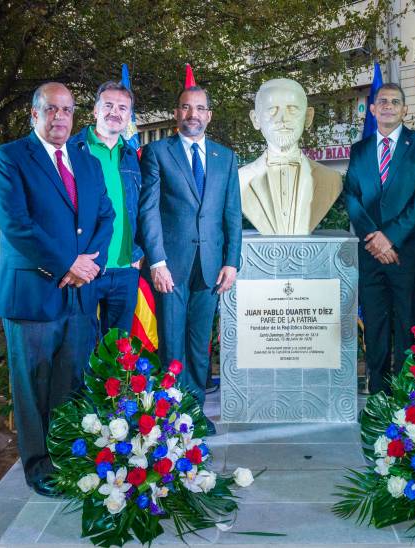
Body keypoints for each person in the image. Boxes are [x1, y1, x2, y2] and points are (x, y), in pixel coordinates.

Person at [0, 82, 113, 495]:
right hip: (34, 295)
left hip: (78, 294)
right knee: (34, 387)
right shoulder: (7, 159)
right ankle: (40, 467)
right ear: (34, 114)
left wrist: (90, 264)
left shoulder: (86, 160)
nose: (60, 117)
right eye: (51, 109)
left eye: (67, 110)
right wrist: (67, 263)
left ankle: (69, 455)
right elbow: (17, 225)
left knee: (70, 380)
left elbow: (105, 217)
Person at [138, 86, 242, 434]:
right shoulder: (156, 152)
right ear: (176, 113)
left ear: (209, 115)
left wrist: (232, 261)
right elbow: (149, 210)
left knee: (200, 343)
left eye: (199, 108)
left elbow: (232, 214)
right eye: (185, 107)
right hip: (171, 267)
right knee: (172, 342)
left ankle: (194, 413)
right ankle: (171, 413)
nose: (192, 114)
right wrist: (156, 261)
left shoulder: (225, 157)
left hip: (211, 267)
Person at [344, 83, 415, 394]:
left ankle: (405, 397)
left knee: (408, 330)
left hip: (408, 256)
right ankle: (378, 395)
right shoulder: (359, 150)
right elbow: (352, 197)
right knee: (375, 328)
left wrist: (391, 237)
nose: (387, 106)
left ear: (404, 109)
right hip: (371, 257)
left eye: (395, 102)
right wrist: (375, 239)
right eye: (381, 101)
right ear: (372, 109)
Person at [69, 81, 143, 336]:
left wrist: (139, 250)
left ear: (129, 116)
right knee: (81, 348)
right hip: (85, 265)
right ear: (95, 110)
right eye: (108, 105)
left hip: (125, 267)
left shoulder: (132, 156)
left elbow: (141, 207)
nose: (115, 112)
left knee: (119, 352)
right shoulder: (72, 150)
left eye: (123, 108)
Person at [239, 78, 342, 235]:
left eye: (292, 109)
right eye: (272, 109)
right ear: (255, 119)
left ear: (308, 117)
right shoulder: (239, 181)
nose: (283, 119)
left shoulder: (331, 179)